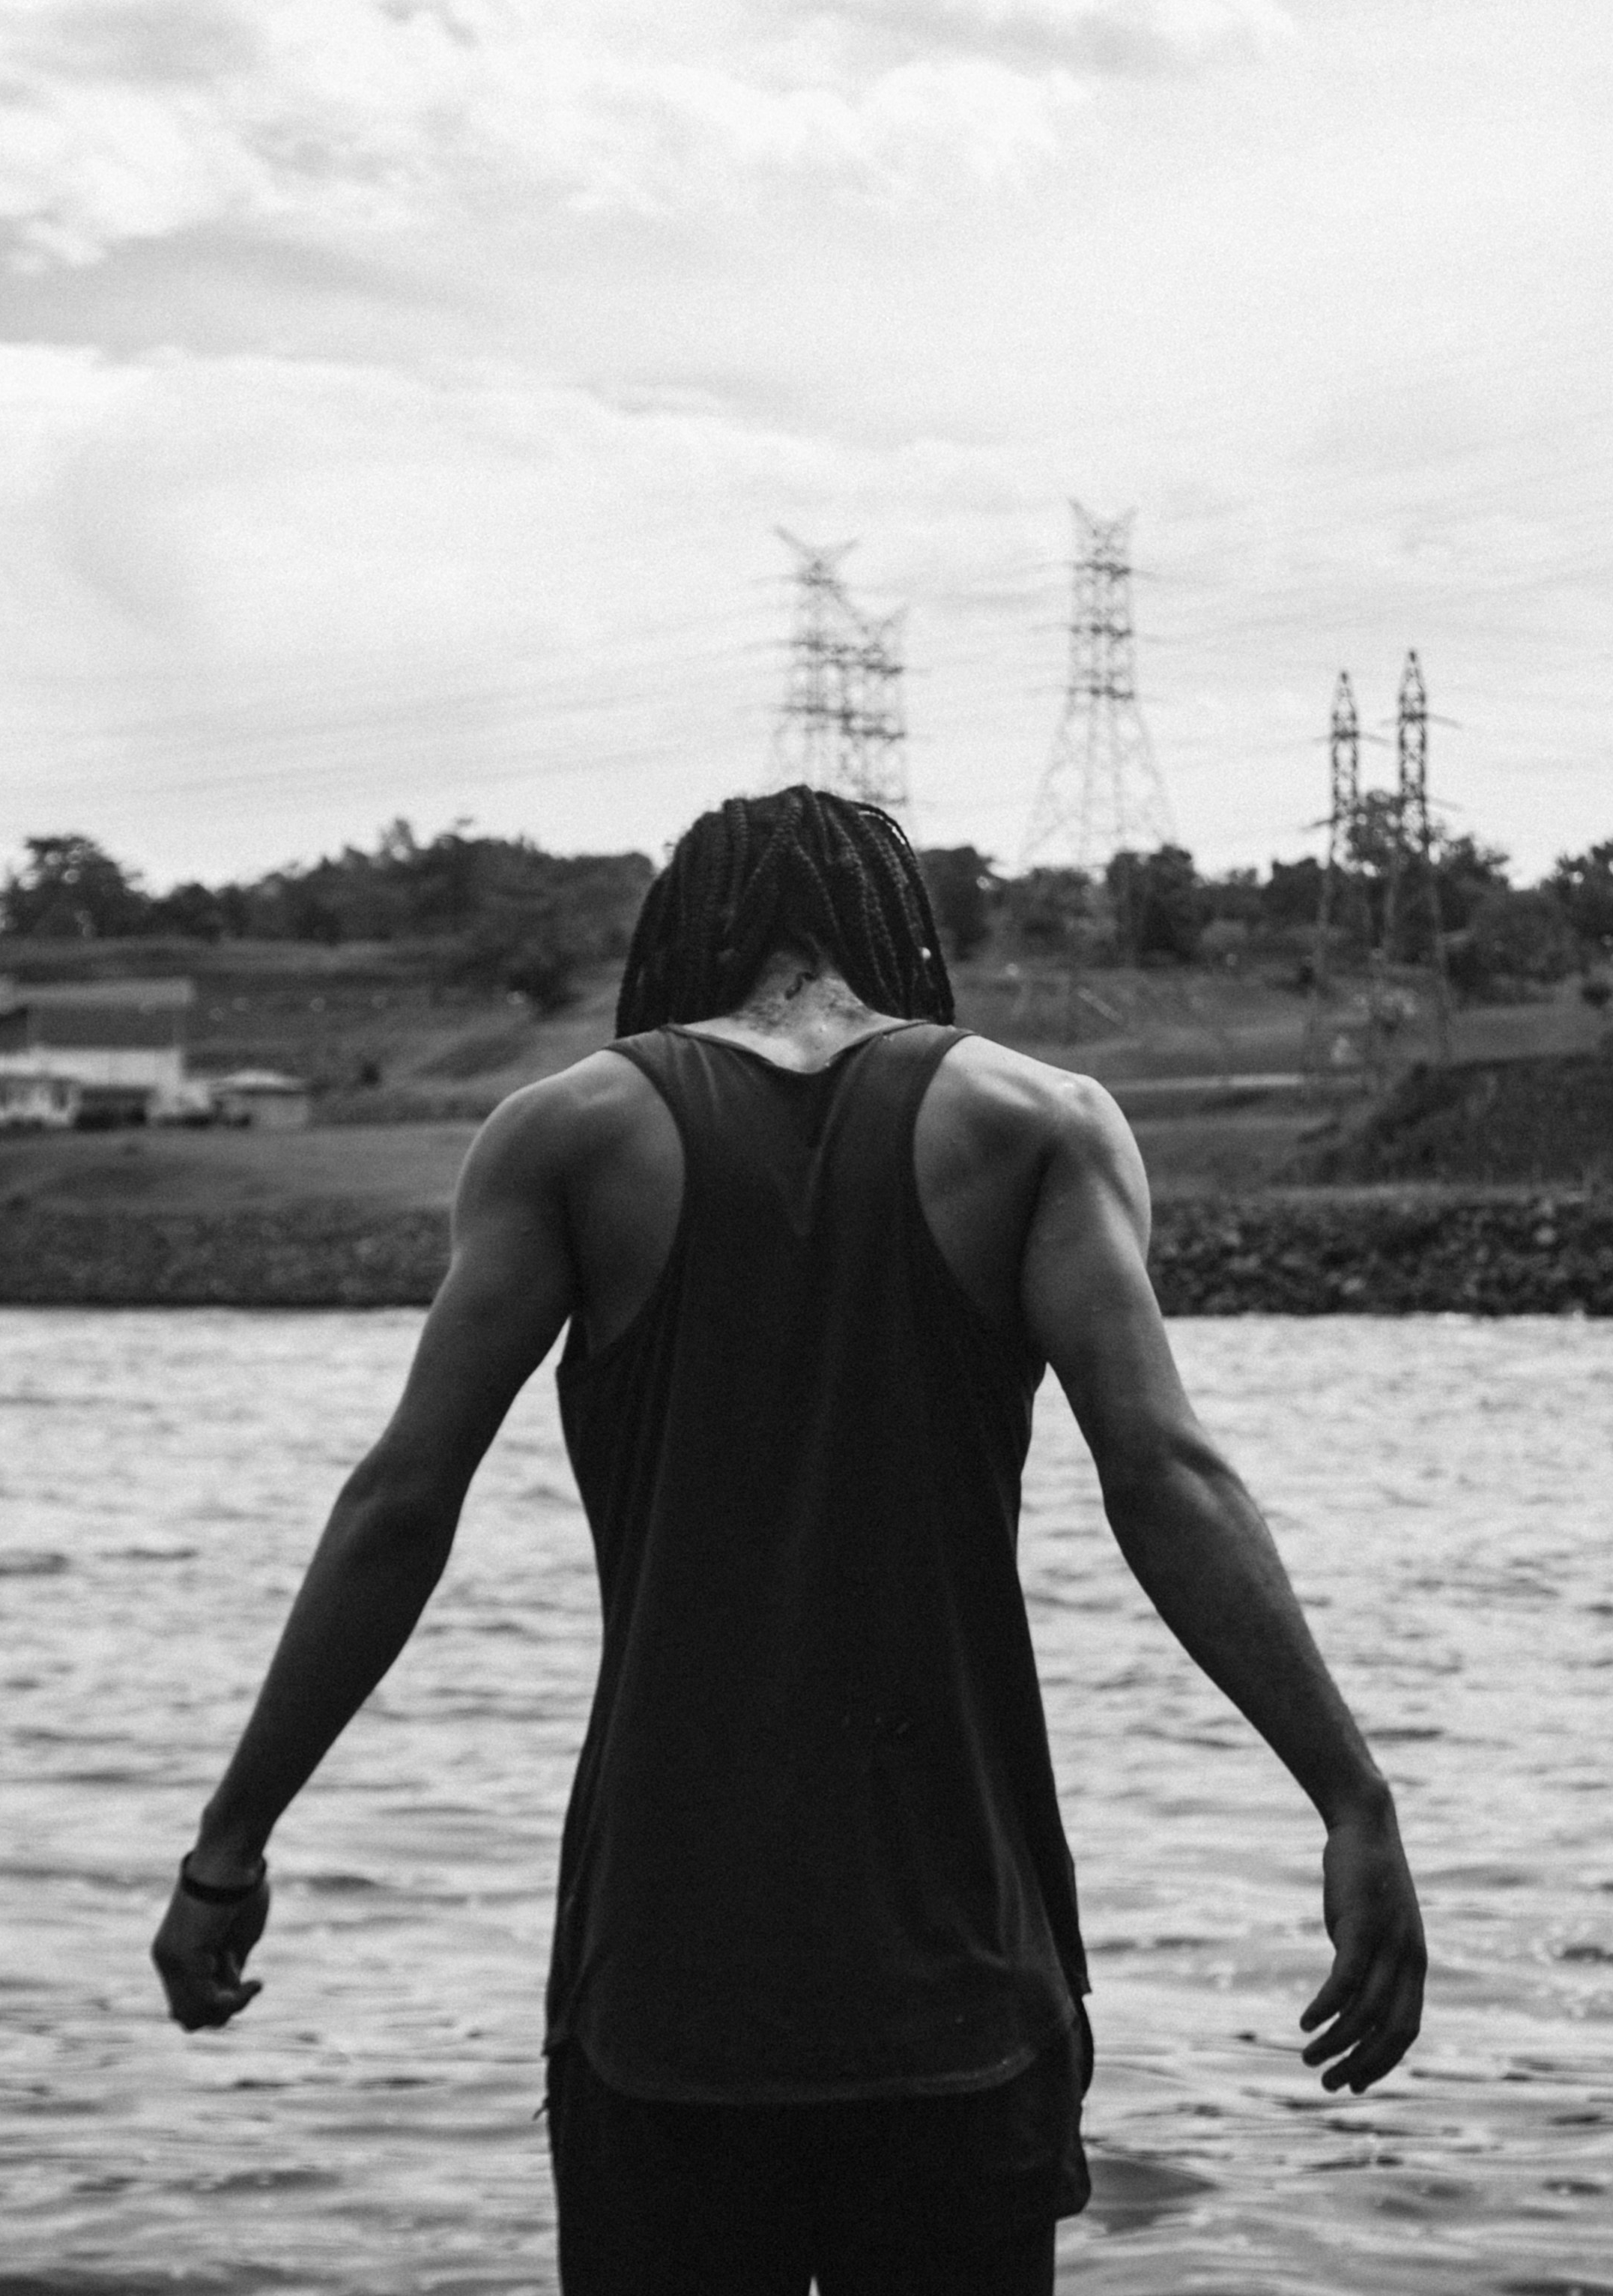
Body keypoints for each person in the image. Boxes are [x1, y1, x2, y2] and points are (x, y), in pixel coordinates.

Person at [154, 787, 1426, 2292]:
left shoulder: (567, 1135)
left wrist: (229, 1849)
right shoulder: (1039, 1126)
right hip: (961, 1977)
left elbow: (399, 1505)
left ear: (684, 939)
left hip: (670, 1989)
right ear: (895, 937)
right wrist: (1349, 1799)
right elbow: (1164, 1474)